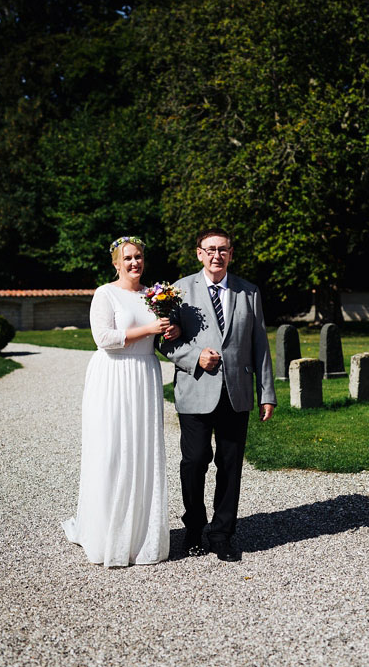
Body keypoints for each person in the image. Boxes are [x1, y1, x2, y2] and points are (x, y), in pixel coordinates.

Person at [159, 228, 276, 563]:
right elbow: (165, 342)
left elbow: (260, 346)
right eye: (209, 249)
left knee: (230, 465)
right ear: (199, 253)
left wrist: (266, 393)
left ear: (231, 253)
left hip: (236, 393)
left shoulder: (248, 292)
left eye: (222, 250)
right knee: (195, 462)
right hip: (195, 389)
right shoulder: (178, 291)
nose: (216, 255)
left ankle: (222, 533)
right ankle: (194, 528)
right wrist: (195, 356)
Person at [62, 236, 178, 567]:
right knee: (111, 451)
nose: (134, 263)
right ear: (116, 263)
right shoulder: (105, 293)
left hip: (144, 375)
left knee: (142, 452)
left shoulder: (155, 296)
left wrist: (168, 330)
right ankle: (106, 534)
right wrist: (150, 329)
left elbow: (161, 335)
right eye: (127, 258)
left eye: (138, 257)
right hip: (112, 377)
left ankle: (141, 536)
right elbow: (105, 339)